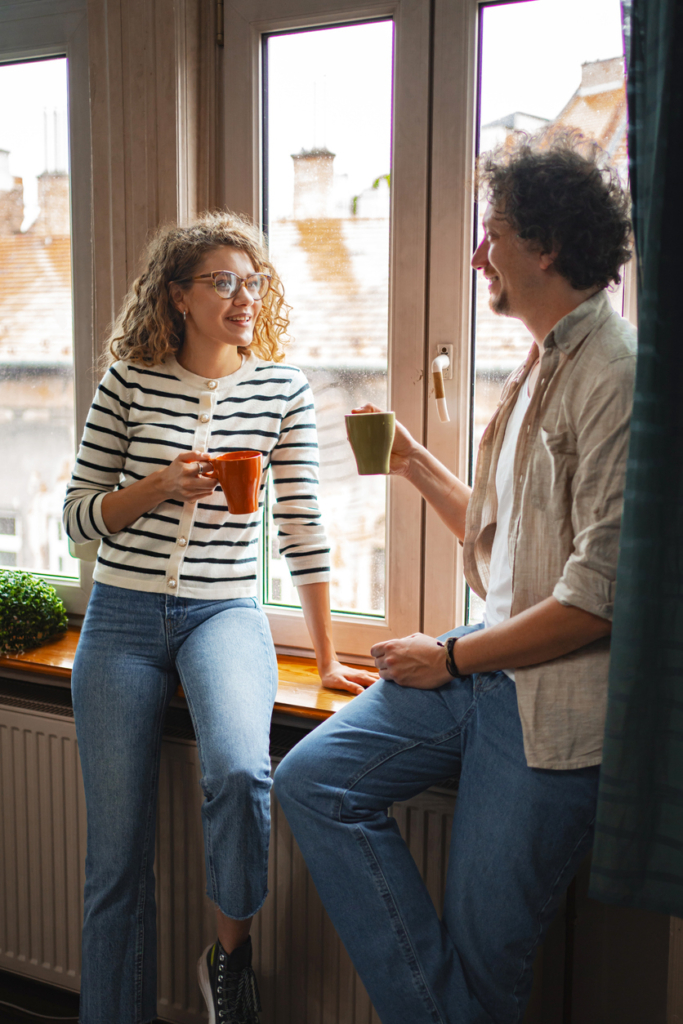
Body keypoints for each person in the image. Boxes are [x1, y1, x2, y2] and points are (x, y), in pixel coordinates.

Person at [274, 129, 636, 1024]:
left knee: (486, 962)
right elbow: (503, 537)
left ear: (545, 247)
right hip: (482, 667)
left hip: (544, 711)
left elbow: (598, 600)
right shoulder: (545, 358)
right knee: (311, 781)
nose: (480, 253)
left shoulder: (616, 374)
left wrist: (453, 657)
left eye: (494, 232)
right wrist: (408, 461)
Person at [63, 212, 375, 1024]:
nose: (244, 295)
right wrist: (160, 486)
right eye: (224, 281)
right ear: (178, 297)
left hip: (224, 614)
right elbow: (79, 519)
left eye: (253, 280)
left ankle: (227, 963)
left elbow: (301, 525)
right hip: (122, 618)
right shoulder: (127, 382)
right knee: (115, 857)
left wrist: (328, 654)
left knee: (241, 770)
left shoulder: (282, 388)